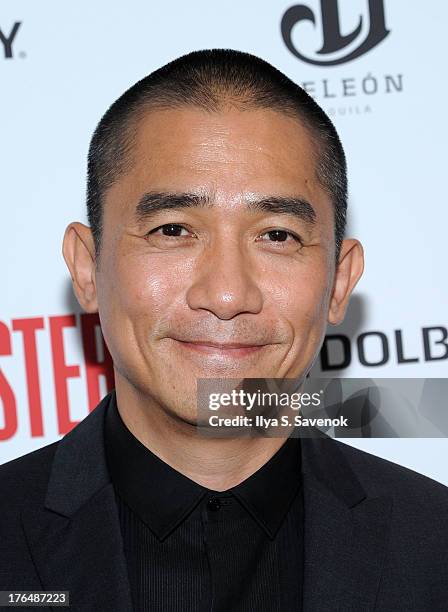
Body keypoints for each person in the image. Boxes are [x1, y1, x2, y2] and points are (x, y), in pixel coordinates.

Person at [0, 49, 447, 612]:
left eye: (278, 236)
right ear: (87, 269)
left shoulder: (434, 547)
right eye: (173, 229)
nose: (228, 294)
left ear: (339, 282)